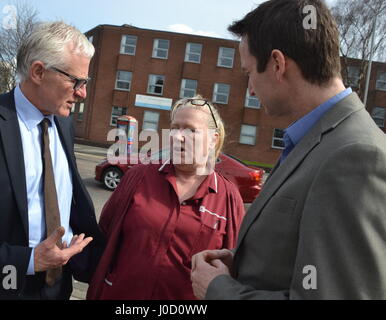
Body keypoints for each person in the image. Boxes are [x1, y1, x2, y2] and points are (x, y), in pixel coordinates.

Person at [191, 0, 386, 300]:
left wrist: (219, 289)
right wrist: (244, 262)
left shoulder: (355, 155)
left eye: (249, 74)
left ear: (278, 64)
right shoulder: (316, 140)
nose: (251, 90)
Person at [0, 22, 105, 300]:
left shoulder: (64, 125)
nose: (82, 93)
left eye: (85, 83)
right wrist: (27, 260)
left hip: (55, 287)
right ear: (38, 71)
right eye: (75, 81)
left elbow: (66, 200)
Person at [87, 96, 245, 300]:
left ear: (213, 139)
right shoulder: (139, 176)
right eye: (175, 128)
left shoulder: (228, 197)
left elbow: (235, 265)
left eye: (190, 130)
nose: (178, 137)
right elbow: (105, 234)